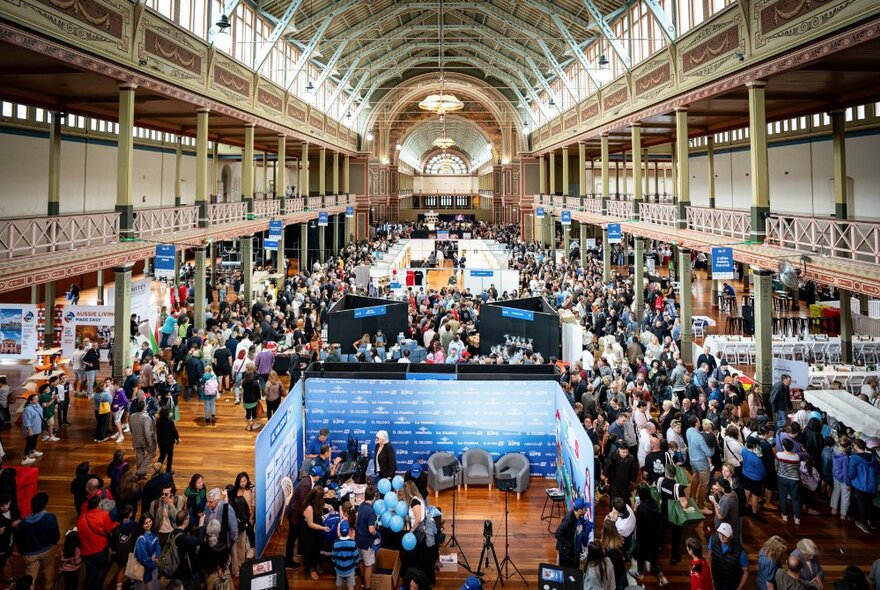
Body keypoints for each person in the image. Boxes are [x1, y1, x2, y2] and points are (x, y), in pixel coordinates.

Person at [12, 493, 59, 590]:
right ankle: (49, 586)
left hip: (30, 554)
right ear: (44, 505)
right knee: (48, 569)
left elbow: (19, 540)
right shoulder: (50, 517)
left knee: (30, 576)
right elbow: (56, 535)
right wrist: (53, 543)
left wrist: (23, 553)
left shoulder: (23, 523)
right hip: (48, 550)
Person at [76, 493, 118, 590]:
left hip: (86, 551)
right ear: (98, 504)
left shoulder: (82, 517)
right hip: (100, 549)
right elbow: (108, 529)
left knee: (90, 572)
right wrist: (115, 524)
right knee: (101, 571)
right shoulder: (103, 515)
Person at [635, 484, 667, 586]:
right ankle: (661, 576)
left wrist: (636, 510)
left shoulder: (641, 508)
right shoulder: (654, 503)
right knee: (654, 556)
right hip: (654, 534)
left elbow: (638, 523)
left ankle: (640, 573)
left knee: (641, 555)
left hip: (643, 536)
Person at [849, 437, 879, 533]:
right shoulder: (873, 457)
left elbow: (851, 473)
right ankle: (871, 522)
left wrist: (850, 480)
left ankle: (864, 524)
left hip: (860, 485)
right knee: (870, 503)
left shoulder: (854, 458)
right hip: (872, 485)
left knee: (862, 504)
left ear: (856, 446)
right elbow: (877, 471)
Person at [707, 522, 748, 590]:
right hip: (716, 579)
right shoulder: (713, 539)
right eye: (720, 533)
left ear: (731, 536)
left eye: (725, 535)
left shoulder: (740, 552)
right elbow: (709, 555)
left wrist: (739, 588)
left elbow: (746, 572)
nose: (722, 537)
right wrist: (710, 574)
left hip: (731, 584)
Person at [302, 486, 329, 581]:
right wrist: (323, 528)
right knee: (310, 550)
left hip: (316, 531)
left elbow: (322, 505)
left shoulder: (316, 502)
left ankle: (316, 563)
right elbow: (310, 524)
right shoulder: (309, 507)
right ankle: (311, 569)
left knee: (317, 548)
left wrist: (328, 506)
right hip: (309, 533)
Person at [355, 484, 378, 590]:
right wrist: (376, 534)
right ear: (374, 497)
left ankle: (364, 582)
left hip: (358, 539)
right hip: (366, 541)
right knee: (369, 565)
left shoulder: (361, 506)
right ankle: (367, 587)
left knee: (361, 561)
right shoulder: (371, 511)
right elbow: (371, 529)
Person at [554, 497, 587, 569]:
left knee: (575, 572)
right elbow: (558, 534)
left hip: (575, 552)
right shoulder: (568, 521)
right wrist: (569, 544)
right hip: (567, 554)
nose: (586, 510)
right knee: (567, 573)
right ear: (579, 510)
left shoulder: (579, 517)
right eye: (585, 508)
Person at [776, 437, 802, 525]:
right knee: (795, 498)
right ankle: (797, 518)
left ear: (784, 447)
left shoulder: (779, 455)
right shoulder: (796, 456)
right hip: (794, 479)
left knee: (782, 497)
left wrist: (778, 471)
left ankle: (785, 515)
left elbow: (776, 465)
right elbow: (798, 468)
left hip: (782, 477)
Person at [129, 399, 157, 479]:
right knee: (152, 452)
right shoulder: (146, 418)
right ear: (144, 408)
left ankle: (140, 474)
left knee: (139, 455)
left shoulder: (131, 416)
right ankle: (140, 471)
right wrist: (149, 442)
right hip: (145, 440)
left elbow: (131, 428)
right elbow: (147, 431)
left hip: (135, 438)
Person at [133, 514, 161, 590]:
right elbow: (143, 559)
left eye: (150, 521)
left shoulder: (153, 532)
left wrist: (158, 556)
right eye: (145, 523)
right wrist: (155, 564)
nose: (149, 524)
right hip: (145, 569)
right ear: (141, 524)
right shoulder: (141, 539)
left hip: (154, 564)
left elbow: (158, 544)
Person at [332, 520, 358, 590]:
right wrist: (356, 564)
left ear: (340, 531)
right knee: (351, 587)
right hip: (350, 569)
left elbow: (334, 557)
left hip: (339, 569)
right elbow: (356, 556)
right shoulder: (353, 543)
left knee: (339, 585)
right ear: (349, 531)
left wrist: (335, 565)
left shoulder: (335, 544)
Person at [20, 394, 43, 465]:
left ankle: (32, 452)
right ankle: (25, 458)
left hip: (36, 428)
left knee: (34, 440)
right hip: (31, 429)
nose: (37, 400)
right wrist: (30, 430)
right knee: (29, 443)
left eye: (37, 398)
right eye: (35, 399)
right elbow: (26, 421)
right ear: (30, 401)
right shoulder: (27, 409)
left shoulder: (37, 405)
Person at [155, 407, 180, 474]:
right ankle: (168, 469)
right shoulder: (169, 422)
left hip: (160, 441)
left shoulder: (158, 421)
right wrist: (177, 438)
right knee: (170, 455)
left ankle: (157, 468)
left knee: (162, 455)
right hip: (169, 442)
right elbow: (173, 431)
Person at [241, 364, 262, 431]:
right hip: (253, 400)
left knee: (248, 413)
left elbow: (243, 390)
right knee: (254, 413)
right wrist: (259, 398)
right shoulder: (255, 383)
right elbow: (258, 392)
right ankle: (253, 425)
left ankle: (248, 426)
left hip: (246, 401)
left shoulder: (243, 382)